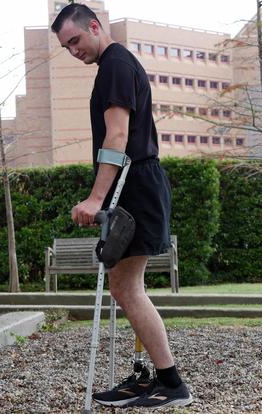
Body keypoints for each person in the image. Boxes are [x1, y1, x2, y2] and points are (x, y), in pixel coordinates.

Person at [51, 4, 193, 409]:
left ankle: (171, 383)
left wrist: (96, 198)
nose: (73, 50)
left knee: (125, 286)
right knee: (128, 286)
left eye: (75, 40)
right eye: (66, 47)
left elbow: (117, 136)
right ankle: (146, 377)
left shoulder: (115, 64)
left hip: (136, 185)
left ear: (95, 27)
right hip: (137, 183)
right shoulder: (115, 64)